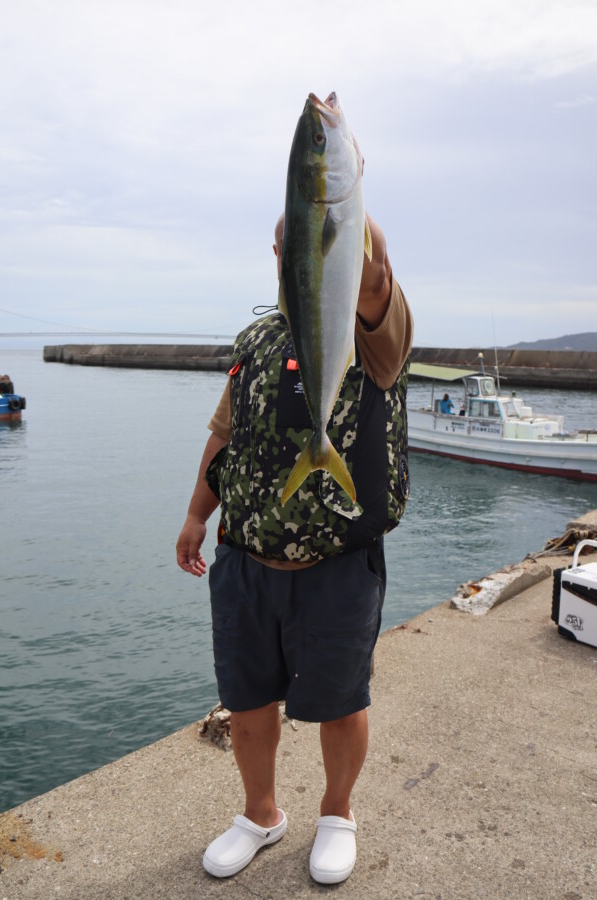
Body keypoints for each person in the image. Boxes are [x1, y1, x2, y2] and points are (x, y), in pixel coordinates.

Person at [176, 213, 413, 885]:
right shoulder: (256, 338)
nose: (298, 251)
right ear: (277, 254)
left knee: (341, 700)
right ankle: (260, 814)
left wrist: (340, 194)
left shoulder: (374, 335)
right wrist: (196, 515)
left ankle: (337, 812)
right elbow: (225, 434)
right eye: (290, 241)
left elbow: (374, 283)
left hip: (336, 566)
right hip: (245, 559)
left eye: (315, 238)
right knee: (246, 700)